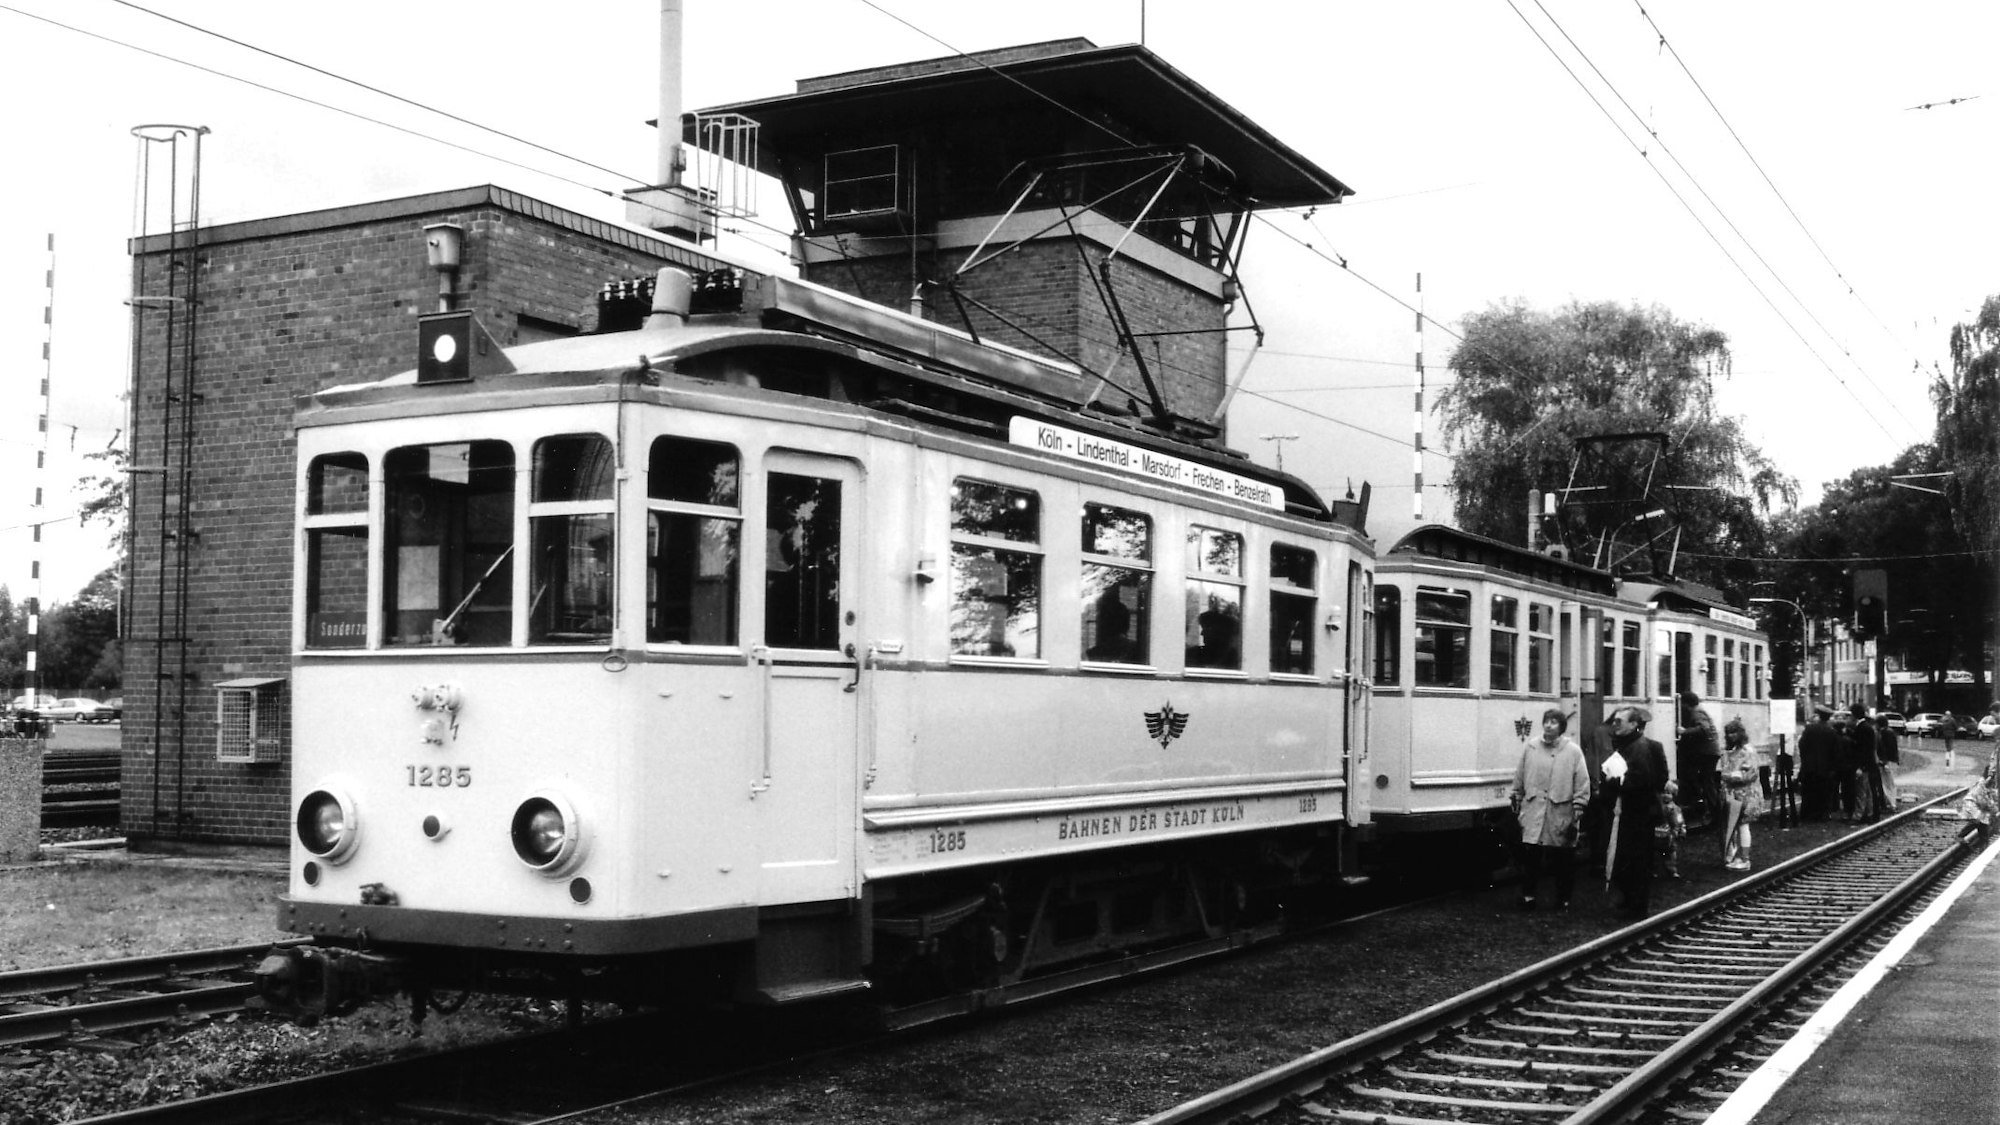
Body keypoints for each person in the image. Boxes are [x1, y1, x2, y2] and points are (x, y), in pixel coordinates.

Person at [1509, 708, 1591, 911]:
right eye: (1546, 721)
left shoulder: (1573, 751)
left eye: (1554, 722)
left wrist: (1579, 805)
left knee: (1562, 859)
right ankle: (1528, 896)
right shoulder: (1531, 747)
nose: (1549, 725)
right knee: (1531, 857)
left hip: (1560, 811)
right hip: (1534, 809)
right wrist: (1517, 796)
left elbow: (1582, 781)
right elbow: (1520, 775)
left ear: (1561, 727)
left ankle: (1563, 899)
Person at [1601, 705, 1671, 919]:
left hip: (1638, 812)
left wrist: (1614, 781)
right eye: (1614, 721)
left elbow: (1646, 780)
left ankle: (1636, 906)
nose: (1615, 725)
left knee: (1637, 860)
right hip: (1634, 811)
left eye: (1619, 721)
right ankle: (1631, 902)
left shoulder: (1638, 747)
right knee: (1629, 858)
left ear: (1633, 724)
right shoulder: (1632, 745)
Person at [1720, 717, 1765, 870]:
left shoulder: (1748, 751)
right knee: (1737, 826)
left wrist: (1733, 776)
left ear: (1740, 733)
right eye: (1728, 733)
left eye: (1734, 732)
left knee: (1743, 825)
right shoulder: (1730, 752)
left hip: (1747, 795)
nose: (1731, 736)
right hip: (1734, 795)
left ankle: (1744, 859)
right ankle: (1736, 856)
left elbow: (1751, 774)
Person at [1675, 692, 1721, 830]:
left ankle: (1715, 813)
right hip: (1709, 751)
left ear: (1686, 703)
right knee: (1704, 780)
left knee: (1705, 782)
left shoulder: (1697, 712)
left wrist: (1684, 731)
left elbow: (1704, 729)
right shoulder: (1699, 711)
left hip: (1707, 752)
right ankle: (1710, 810)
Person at [1797, 703, 1839, 820]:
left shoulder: (1810, 729)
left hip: (1809, 767)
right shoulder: (1832, 732)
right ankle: (1822, 815)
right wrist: (1833, 767)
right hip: (1826, 768)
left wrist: (1805, 759)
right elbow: (1835, 751)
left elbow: (1802, 745)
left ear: (1819, 715)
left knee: (1809, 791)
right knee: (1824, 792)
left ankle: (1806, 814)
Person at [1839, 703, 1879, 822]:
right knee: (1867, 790)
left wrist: (1860, 767)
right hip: (1867, 765)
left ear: (1854, 715)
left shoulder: (1863, 728)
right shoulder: (1865, 727)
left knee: (1861, 791)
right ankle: (1869, 813)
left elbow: (1864, 749)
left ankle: (1859, 815)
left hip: (1863, 765)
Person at [1873, 712, 1900, 813]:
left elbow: (1888, 748)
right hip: (1890, 760)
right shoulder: (1889, 732)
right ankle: (1890, 803)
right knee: (1888, 783)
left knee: (1888, 783)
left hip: (1888, 761)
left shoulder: (1886, 733)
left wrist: (1884, 761)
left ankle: (1891, 804)